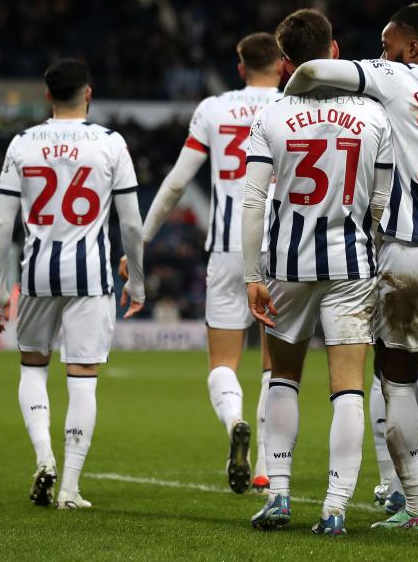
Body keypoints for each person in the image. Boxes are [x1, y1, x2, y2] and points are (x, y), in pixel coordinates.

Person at [281, 4, 418, 535]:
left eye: (386, 42)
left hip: (408, 255)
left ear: (413, 47)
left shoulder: (394, 76)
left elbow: (311, 71)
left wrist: (284, 109)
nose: (381, 51)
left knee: (396, 384)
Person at [243, 9, 392, 536]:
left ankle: (279, 497)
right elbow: (380, 204)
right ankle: (334, 508)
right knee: (348, 388)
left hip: (288, 264)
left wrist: (251, 274)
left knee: (283, 377)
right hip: (352, 264)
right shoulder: (375, 116)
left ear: (285, 63)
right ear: (335, 52)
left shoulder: (271, 116)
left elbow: (254, 201)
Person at [121, 33, 282, 493]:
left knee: (222, 363)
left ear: (239, 66)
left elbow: (175, 183)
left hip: (229, 247)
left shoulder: (213, 109)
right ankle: (267, 465)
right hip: (280, 247)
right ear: (282, 64)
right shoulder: (293, 104)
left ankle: (234, 420)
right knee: (276, 364)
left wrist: (141, 242)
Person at [0, 58, 145, 510]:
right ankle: (71, 488)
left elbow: (2, 225)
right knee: (83, 379)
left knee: (33, 367)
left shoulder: (22, 143)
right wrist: (137, 281)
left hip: (37, 273)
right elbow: (131, 225)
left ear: (47, 97)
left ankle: (44, 459)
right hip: (91, 277)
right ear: (88, 94)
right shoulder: (111, 144)